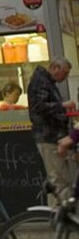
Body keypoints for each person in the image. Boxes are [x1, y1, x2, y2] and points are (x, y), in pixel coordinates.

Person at [28, 57, 74, 206]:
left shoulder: (46, 82)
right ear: (55, 68)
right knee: (59, 179)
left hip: (53, 136)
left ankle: (61, 216)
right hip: (49, 136)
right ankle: (59, 217)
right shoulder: (40, 81)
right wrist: (62, 105)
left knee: (60, 178)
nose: (65, 78)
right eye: (64, 74)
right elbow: (39, 107)